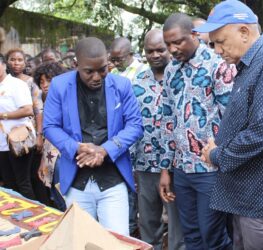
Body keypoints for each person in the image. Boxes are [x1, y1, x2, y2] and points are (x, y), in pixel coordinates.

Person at [196, 0, 263, 249]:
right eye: (213, 43)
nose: (216, 50)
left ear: (244, 32)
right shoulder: (252, 64)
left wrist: (218, 154)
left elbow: (262, 133)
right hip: (248, 195)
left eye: (221, 41)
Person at [43, 37, 143, 235]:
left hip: (113, 179)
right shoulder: (59, 86)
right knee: (81, 240)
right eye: (89, 71)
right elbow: (50, 126)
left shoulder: (122, 85)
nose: (97, 77)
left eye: (103, 69)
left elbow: (135, 125)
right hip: (75, 180)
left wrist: (106, 149)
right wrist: (77, 148)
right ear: (76, 65)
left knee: (116, 241)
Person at [159, 13, 235, 249]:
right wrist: (165, 168)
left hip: (210, 169)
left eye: (178, 42)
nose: (172, 49)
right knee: (191, 235)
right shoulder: (171, 71)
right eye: (168, 44)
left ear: (194, 35)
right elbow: (167, 120)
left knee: (212, 235)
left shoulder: (217, 64)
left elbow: (231, 116)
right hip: (182, 170)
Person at [131, 29, 185, 250]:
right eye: (149, 51)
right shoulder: (138, 81)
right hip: (144, 163)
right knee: (148, 220)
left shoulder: (181, 76)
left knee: (177, 223)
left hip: (175, 164)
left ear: (169, 49)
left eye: (160, 50)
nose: (155, 55)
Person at [109, 36, 144, 237]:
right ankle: (128, 229)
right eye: (112, 59)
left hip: (140, 139)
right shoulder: (112, 73)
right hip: (120, 142)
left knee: (140, 188)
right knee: (126, 186)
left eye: (119, 59)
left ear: (130, 54)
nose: (114, 63)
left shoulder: (142, 73)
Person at [6, 48, 49, 205]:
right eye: (12, 59)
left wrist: (39, 136)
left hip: (27, 135)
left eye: (19, 60)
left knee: (30, 178)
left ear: (25, 63)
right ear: (6, 62)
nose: (16, 63)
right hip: (7, 138)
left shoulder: (30, 83)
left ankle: (38, 210)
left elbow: (38, 110)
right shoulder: (4, 82)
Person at [0, 53, 36, 200]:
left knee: (23, 183)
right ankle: (19, 219)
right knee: (9, 184)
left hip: (18, 141)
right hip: (2, 144)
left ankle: (35, 218)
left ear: (3, 65)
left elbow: (28, 110)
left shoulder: (16, 85)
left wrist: (3, 115)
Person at [34, 62, 67, 211]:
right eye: (41, 82)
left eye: (48, 80)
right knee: (55, 193)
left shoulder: (67, 99)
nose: (44, 85)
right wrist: (42, 162)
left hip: (62, 154)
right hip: (50, 154)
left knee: (63, 194)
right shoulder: (47, 100)